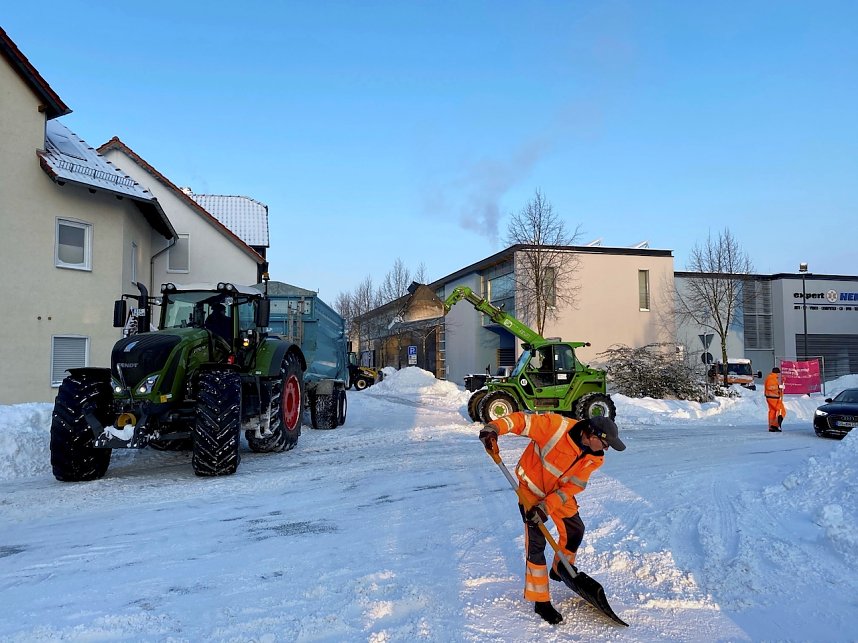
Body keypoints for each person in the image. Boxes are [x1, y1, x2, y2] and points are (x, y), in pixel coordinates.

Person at [479, 412, 626, 625]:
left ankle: (560, 567)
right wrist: (494, 428)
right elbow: (522, 421)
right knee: (536, 545)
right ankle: (541, 601)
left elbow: (573, 485)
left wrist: (547, 507)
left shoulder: (595, 458)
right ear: (591, 434)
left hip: (557, 495)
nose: (606, 449)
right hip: (531, 489)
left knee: (575, 530)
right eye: (605, 443)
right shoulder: (556, 427)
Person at [763, 367, 786, 432]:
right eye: (778, 373)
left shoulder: (772, 377)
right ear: (777, 373)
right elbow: (769, 387)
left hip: (771, 397)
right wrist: (778, 387)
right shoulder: (771, 378)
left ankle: (771, 427)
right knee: (782, 411)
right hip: (773, 398)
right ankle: (774, 425)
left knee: (772, 412)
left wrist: (780, 388)